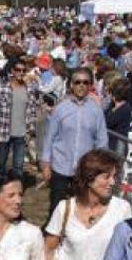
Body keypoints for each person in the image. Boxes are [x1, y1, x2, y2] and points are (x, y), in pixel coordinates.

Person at [40, 69, 109, 218]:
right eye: (78, 82)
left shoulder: (96, 112)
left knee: (81, 208)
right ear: (71, 85)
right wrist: (46, 164)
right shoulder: (60, 109)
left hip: (84, 170)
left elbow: (102, 142)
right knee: (56, 207)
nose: (81, 85)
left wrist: (102, 168)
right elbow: (49, 137)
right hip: (60, 166)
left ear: (90, 85)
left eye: (85, 82)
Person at [0, 57, 39, 175]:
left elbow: (32, 110)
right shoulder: (3, 89)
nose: (21, 73)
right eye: (18, 70)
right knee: (1, 163)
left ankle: (17, 186)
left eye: (23, 70)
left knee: (18, 165)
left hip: (22, 133)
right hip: (4, 131)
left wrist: (31, 129)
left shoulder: (29, 90)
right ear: (12, 71)